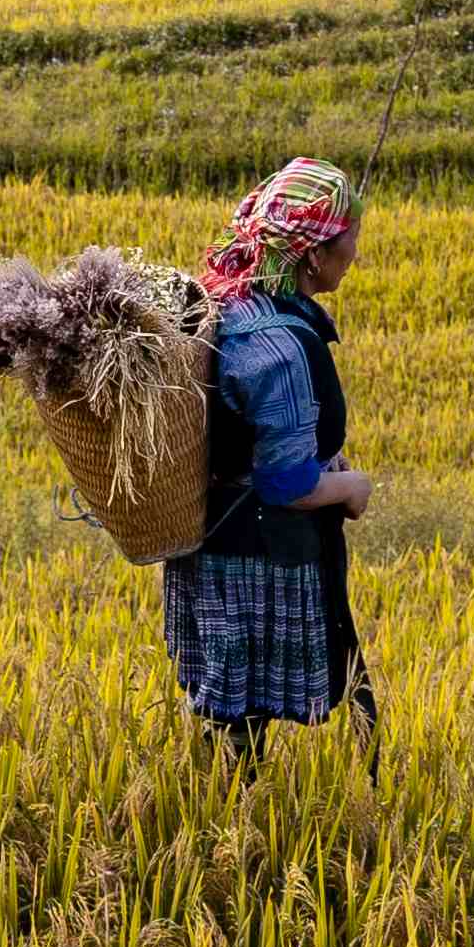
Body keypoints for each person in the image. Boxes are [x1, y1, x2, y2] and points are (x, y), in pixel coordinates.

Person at [166, 156, 374, 748]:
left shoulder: (230, 303)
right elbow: (287, 483)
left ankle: (223, 815)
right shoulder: (277, 349)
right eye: (351, 239)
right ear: (314, 255)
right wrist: (350, 487)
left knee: (225, 722)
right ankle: (231, 828)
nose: (355, 252)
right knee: (240, 733)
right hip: (253, 563)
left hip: (212, 548)